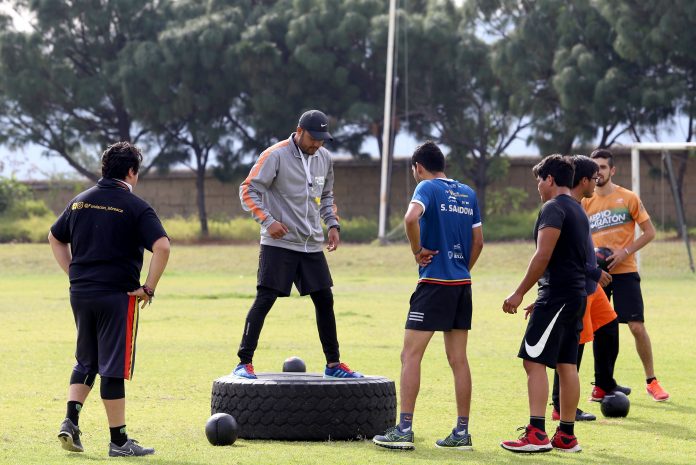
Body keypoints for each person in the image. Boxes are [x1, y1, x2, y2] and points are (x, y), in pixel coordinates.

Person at [49, 142, 170, 457]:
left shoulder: (79, 202)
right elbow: (162, 247)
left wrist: (73, 273)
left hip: (81, 292)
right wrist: (149, 288)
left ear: (104, 169)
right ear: (132, 172)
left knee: (86, 361)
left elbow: (55, 237)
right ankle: (119, 441)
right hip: (118, 296)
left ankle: (70, 420)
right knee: (113, 367)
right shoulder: (136, 206)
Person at [233, 109, 362, 380]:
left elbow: (326, 196)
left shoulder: (324, 158)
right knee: (265, 299)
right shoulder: (275, 155)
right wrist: (268, 221)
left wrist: (333, 224)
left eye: (322, 140)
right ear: (299, 131)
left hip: (311, 244)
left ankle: (333, 364)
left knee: (325, 300)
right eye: (313, 138)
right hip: (279, 243)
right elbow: (248, 189)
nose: (317, 144)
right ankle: (244, 363)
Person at [372, 141, 483, 451]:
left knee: (410, 355)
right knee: (458, 359)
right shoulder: (468, 193)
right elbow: (479, 242)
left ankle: (404, 429)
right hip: (462, 285)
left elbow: (410, 219)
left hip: (434, 284)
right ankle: (462, 433)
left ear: (418, 168)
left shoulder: (426, 188)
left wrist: (417, 251)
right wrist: (461, 268)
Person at [500, 155, 587, 454]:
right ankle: (566, 436)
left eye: (539, 180)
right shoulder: (577, 208)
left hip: (557, 296)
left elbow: (542, 255)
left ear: (550, 179)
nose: (537, 186)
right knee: (566, 364)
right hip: (574, 296)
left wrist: (519, 293)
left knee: (533, 361)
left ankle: (536, 433)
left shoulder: (553, 208)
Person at [583, 149, 669, 401]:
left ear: (612, 170)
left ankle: (652, 381)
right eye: (594, 167)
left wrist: (625, 251)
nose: (598, 171)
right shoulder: (585, 201)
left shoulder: (628, 198)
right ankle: (601, 384)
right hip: (597, 275)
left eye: (602, 167)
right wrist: (592, 267)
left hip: (625, 271)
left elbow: (649, 232)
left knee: (636, 326)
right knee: (600, 328)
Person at [549, 155, 630, 422]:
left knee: (609, 325)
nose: (597, 182)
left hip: (590, 283)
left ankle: (604, 383)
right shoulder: (564, 208)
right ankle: (561, 406)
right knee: (575, 343)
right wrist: (594, 270)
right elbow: (561, 254)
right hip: (579, 284)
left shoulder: (579, 206)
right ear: (582, 179)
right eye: (594, 178)